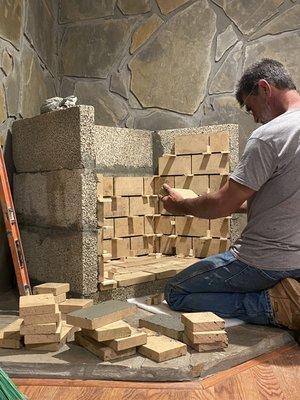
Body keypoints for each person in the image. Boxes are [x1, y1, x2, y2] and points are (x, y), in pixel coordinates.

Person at [161, 59, 300, 331]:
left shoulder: (270, 136)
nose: (254, 117)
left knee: (175, 291)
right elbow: (283, 200)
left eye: (250, 107)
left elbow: (222, 204)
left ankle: (273, 306)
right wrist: (235, 204)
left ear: (264, 88)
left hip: (264, 262)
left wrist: (181, 206)